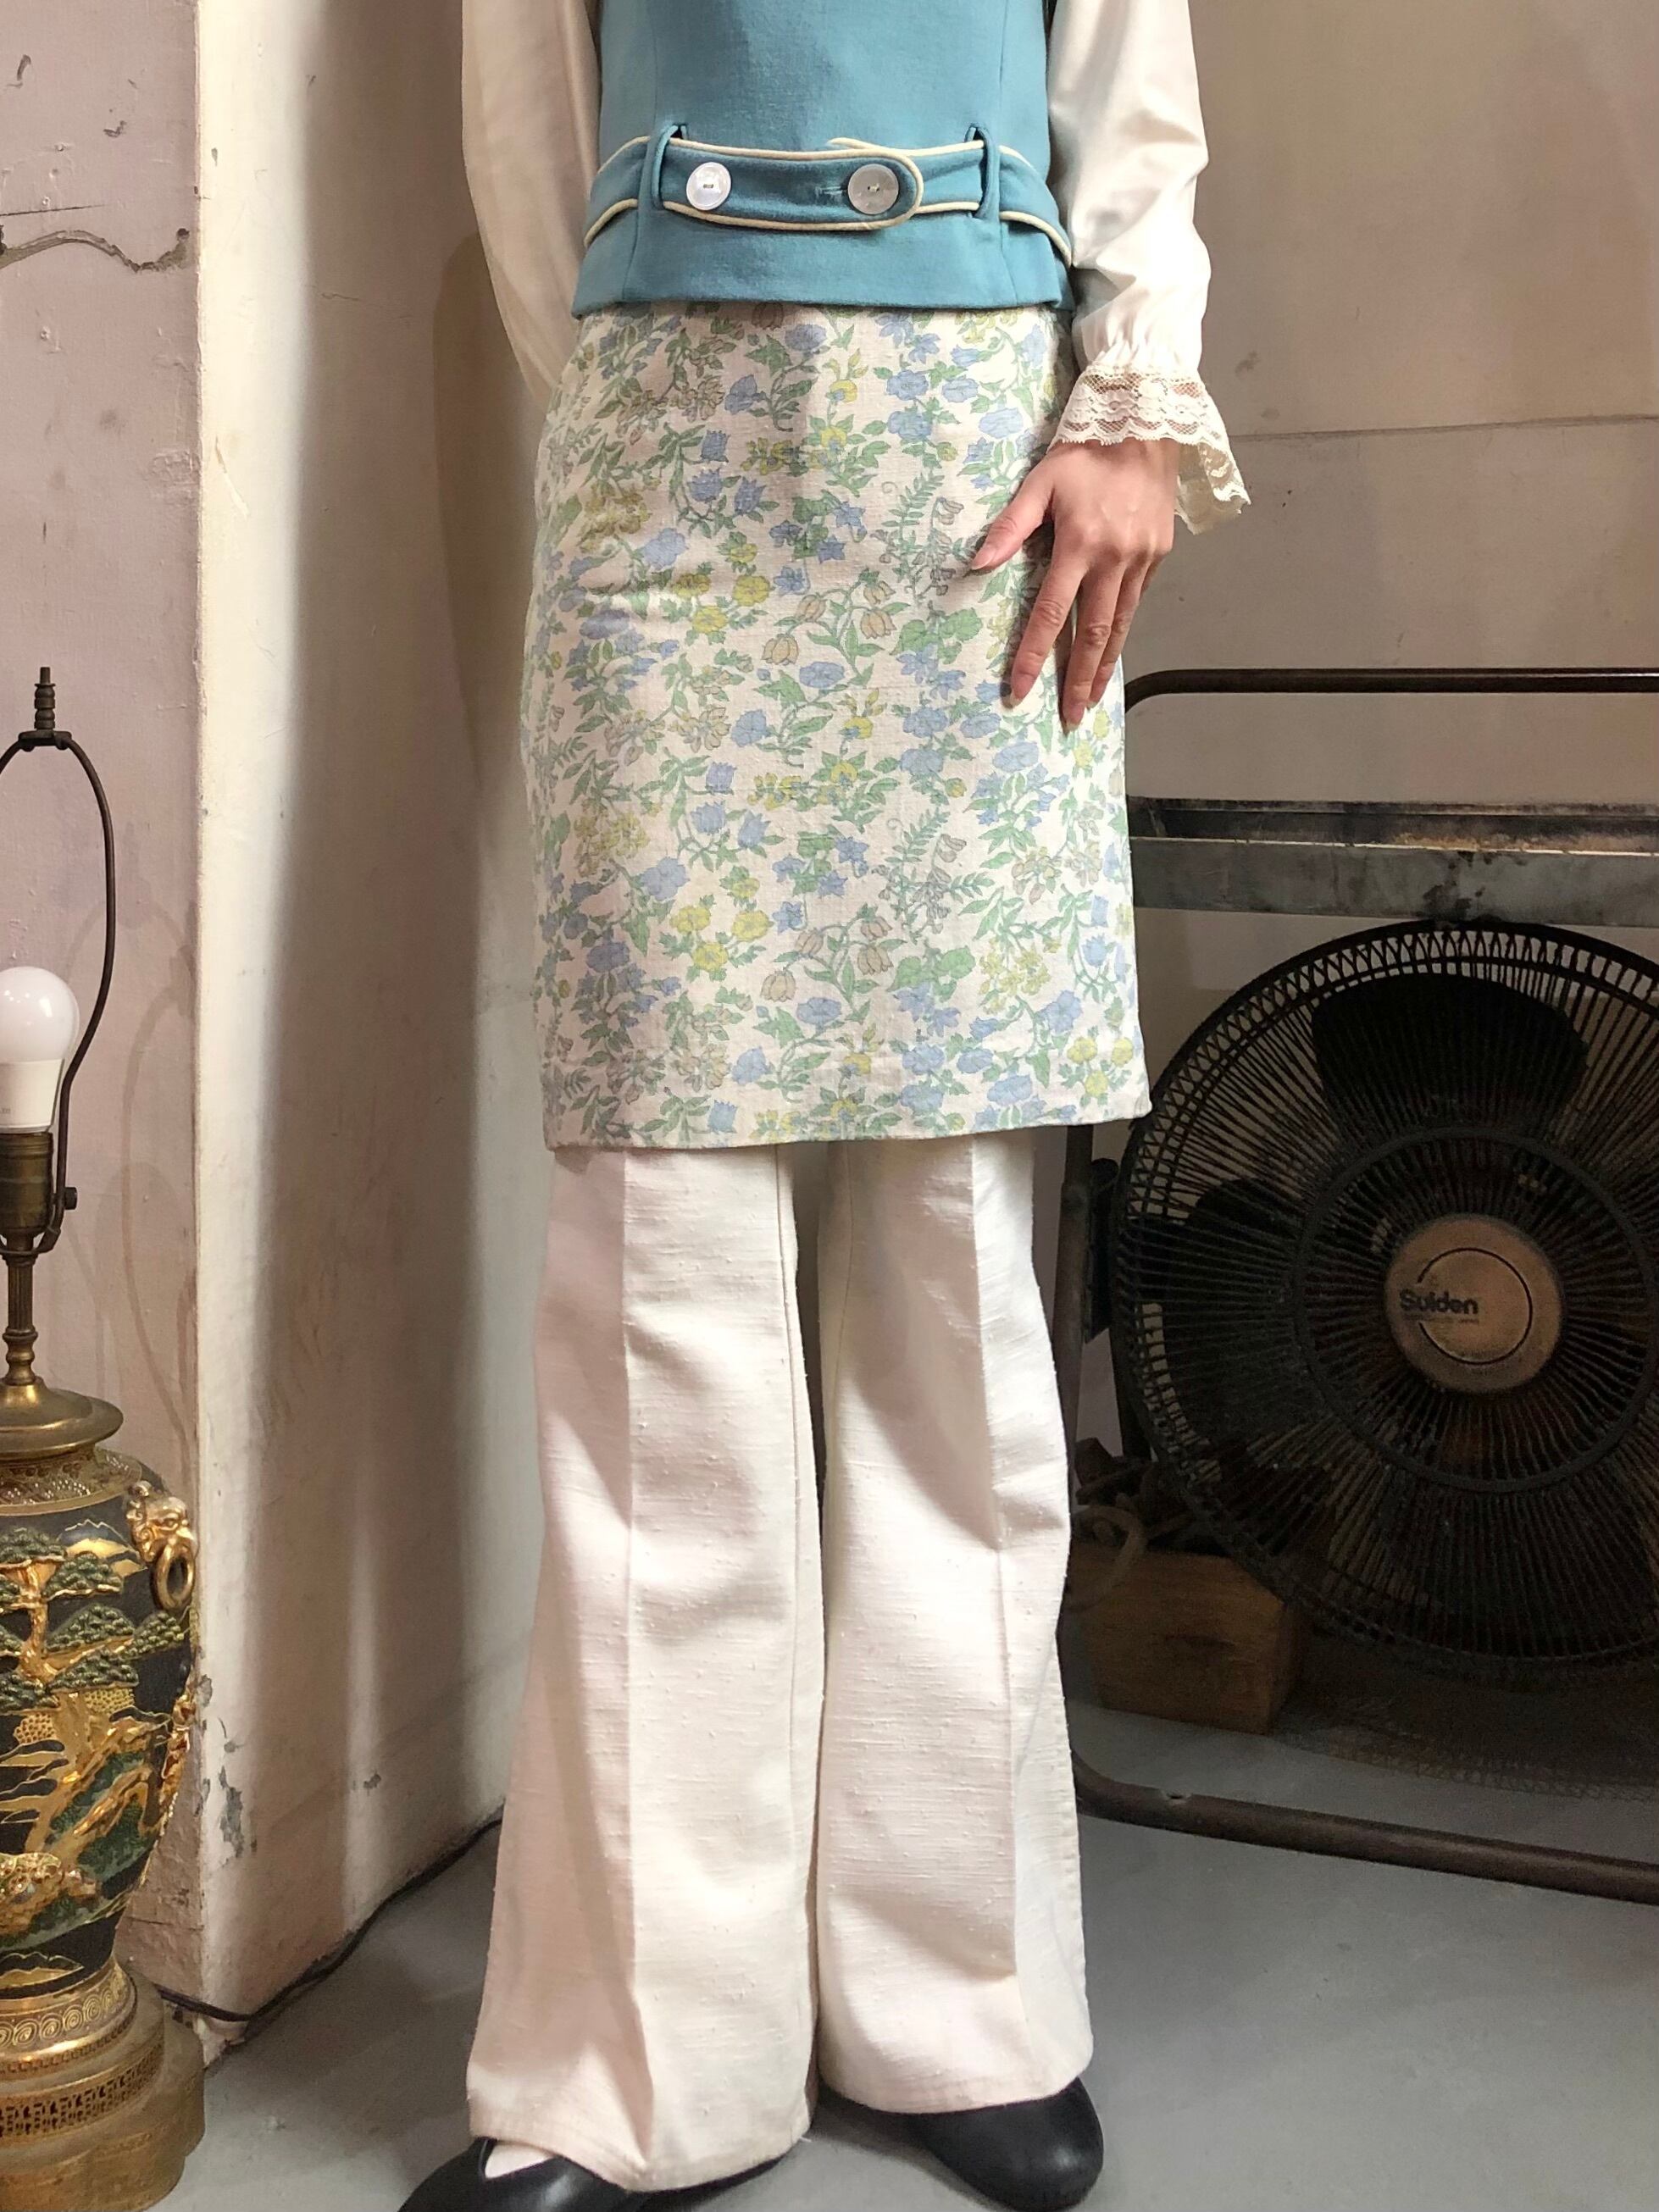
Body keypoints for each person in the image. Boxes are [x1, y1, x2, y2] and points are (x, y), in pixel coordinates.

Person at [406, 3, 1245, 2206]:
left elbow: (1127, 85)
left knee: (953, 1276)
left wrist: (1131, 399)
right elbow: (530, 146)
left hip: (980, 475)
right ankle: (632, 2058)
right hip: (670, 467)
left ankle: (962, 2004)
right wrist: (647, 397)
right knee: (653, 1279)